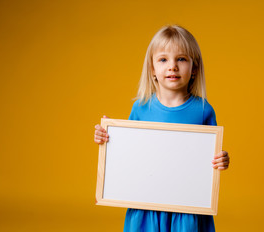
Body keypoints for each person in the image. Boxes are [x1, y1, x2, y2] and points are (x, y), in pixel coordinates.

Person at [94, 25, 230, 232]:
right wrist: (108, 139)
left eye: (181, 59)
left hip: (187, 209)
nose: (172, 66)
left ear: (194, 68)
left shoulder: (203, 110)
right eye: (163, 59)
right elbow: (127, 155)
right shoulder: (140, 108)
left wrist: (221, 160)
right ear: (152, 69)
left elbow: (209, 158)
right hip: (146, 206)